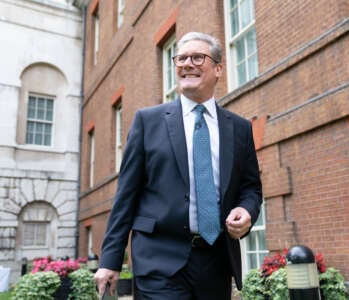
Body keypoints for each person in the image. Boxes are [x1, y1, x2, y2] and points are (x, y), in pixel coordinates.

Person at [95, 31, 262, 300]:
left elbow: (251, 187)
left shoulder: (239, 128)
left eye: (197, 57)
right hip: (158, 260)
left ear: (218, 68)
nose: (187, 63)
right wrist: (110, 259)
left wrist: (246, 209)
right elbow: (126, 195)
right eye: (181, 58)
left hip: (216, 261)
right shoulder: (147, 122)